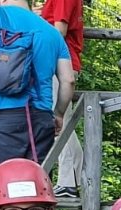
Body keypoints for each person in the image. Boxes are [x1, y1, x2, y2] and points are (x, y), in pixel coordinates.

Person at [0, 0, 74, 190]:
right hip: (41, 120)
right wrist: (59, 114)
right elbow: (68, 81)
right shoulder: (52, 32)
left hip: (2, 117)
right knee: (34, 188)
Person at [38, 0, 84, 198]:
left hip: (58, 62)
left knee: (60, 120)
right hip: (60, 61)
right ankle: (74, 178)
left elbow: (59, 31)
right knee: (62, 120)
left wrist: (33, 24)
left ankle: (69, 181)